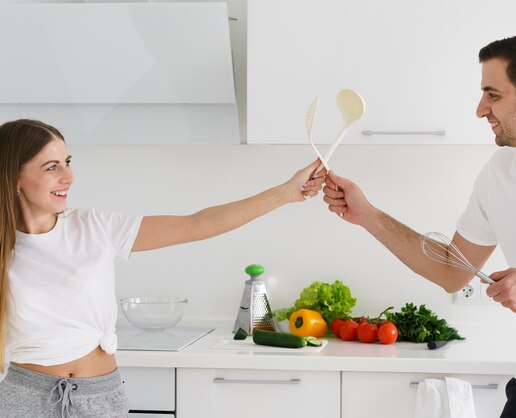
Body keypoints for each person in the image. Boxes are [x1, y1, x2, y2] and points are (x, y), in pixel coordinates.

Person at [323, 33, 516, 417]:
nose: (480, 109)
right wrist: (367, 214)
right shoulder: (499, 173)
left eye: (493, 94)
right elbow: (451, 270)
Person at [0, 119, 326, 417]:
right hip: (25, 398)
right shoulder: (5, 249)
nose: (69, 177)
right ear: (15, 177)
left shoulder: (92, 226)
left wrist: (286, 192)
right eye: (52, 167)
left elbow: (197, 224)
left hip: (99, 397)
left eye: (68, 163)